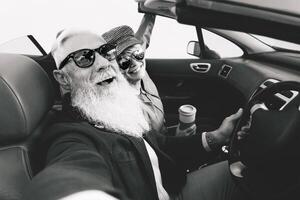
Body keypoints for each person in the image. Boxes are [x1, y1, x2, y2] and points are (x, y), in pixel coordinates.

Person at [23, 28, 246, 200]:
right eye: (84, 58)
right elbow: (71, 172)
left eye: (105, 52)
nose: (103, 64)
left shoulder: (114, 110)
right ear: (63, 78)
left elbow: (158, 146)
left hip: (172, 187)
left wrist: (218, 136)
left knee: (245, 169)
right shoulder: (70, 135)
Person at [102, 15, 196, 136]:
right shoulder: (124, 108)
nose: (135, 63)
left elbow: (143, 36)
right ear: (114, 69)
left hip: (165, 133)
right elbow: (149, 149)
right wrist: (178, 138)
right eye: (124, 62)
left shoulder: (139, 72)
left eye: (138, 54)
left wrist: (150, 12)